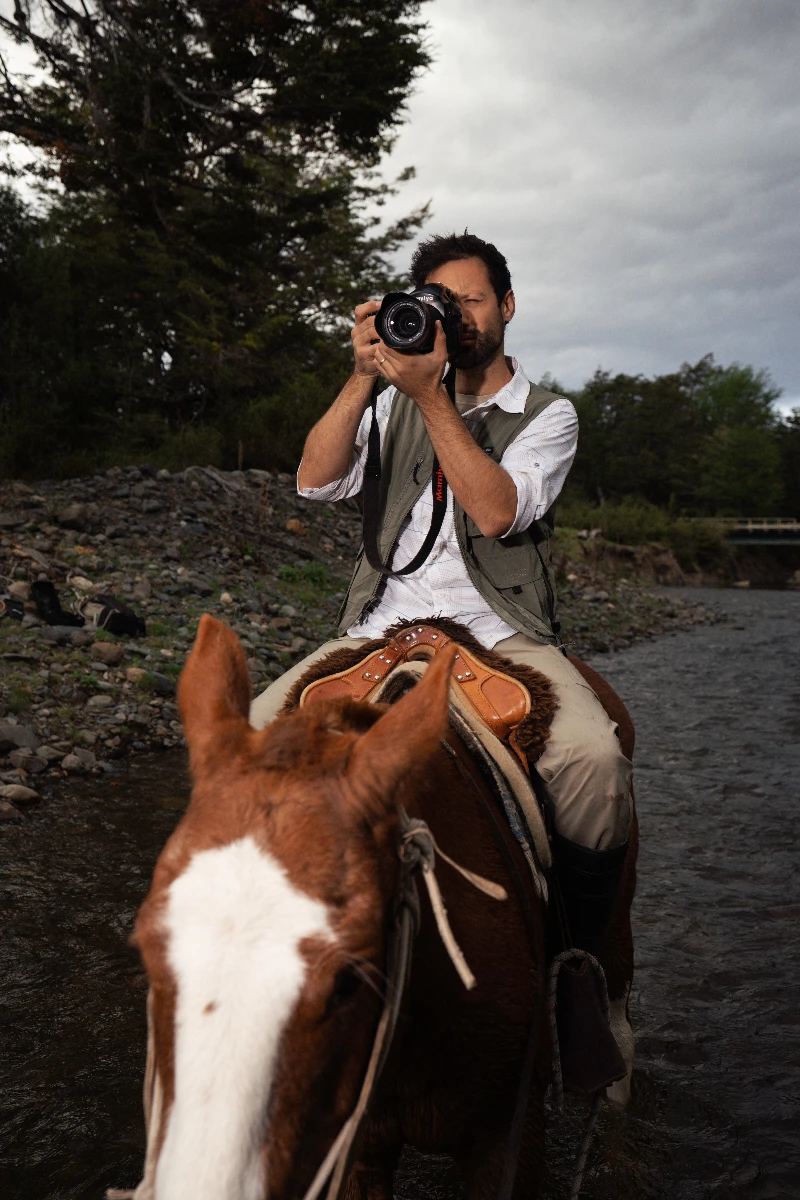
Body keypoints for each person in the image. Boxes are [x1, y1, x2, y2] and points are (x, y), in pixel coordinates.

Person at [251, 232, 632, 954]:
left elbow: (496, 511)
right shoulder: (390, 401)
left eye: (473, 301)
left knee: (595, 765)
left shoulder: (548, 414)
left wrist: (430, 397)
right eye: (439, 303)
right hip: (381, 626)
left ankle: (578, 969)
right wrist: (365, 377)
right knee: (244, 737)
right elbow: (315, 481)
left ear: (508, 306)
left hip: (501, 631)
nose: (456, 318)